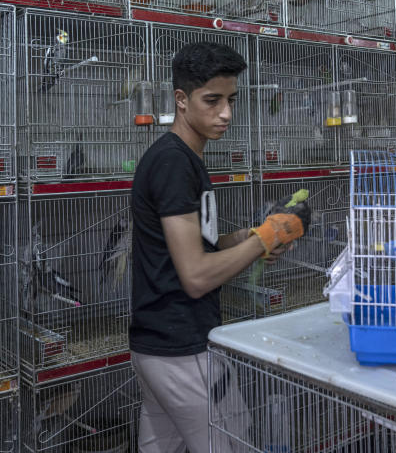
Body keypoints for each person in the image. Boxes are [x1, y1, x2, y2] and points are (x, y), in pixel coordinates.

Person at [128, 42, 312, 453]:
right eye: (212, 101)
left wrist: (256, 237)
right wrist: (266, 238)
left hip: (158, 349)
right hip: (182, 346)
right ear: (181, 99)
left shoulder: (184, 159)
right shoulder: (174, 163)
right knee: (231, 443)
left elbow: (200, 247)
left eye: (231, 100)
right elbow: (194, 276)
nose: (226, 113)